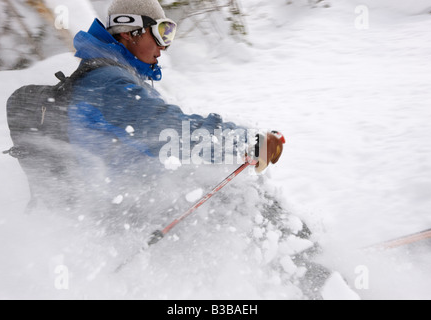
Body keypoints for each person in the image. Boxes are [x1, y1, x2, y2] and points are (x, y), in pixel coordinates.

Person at [67, 0, 284, 212]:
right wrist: (244, 142)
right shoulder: (110, 84)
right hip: (126, 213)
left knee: (241, 195)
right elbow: (165, 130)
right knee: (247, 202)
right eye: (160, 32)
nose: (163, 46)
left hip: (140, 200)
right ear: (129, 31)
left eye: (168, 34)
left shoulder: (111, 77)